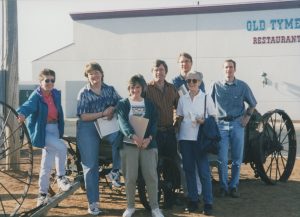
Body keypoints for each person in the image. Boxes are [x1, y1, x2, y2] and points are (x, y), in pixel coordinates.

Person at [17, 68, 71, 206]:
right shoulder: (36, 96)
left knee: (46, 165)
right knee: (62, 147)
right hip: (43, 130)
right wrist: (21, 113)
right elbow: (27, 106)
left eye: (52, 80)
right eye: (47, 80)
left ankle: (42, 195)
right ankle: (61, 177)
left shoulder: (55, 94)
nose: (50, 82)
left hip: (54, 129)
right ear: (40, 82)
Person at [76, 61, 122, 215]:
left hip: (107, 124)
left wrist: (112, 109)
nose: (94, 75)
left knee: (121, 138)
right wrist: (103, 113)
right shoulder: (83, 93)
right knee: (91, 165)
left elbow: (121, 104)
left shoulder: (110, 90)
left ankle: (115, 171)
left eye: (96, 72)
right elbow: (83, 116)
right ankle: (93, 203)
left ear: (102, 73)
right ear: (87, 76)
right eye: (90, 73)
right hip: (88, 126)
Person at [116, 74, 164, 217]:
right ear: (129, 88)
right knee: (130, 177)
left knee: (151, 176)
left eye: (138, 87)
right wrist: (133, 136)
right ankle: (130, 207)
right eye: (132, 87)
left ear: (142, 88)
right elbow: (122, 122)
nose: (135, 90)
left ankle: (155, 208)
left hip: (147, 145)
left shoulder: (149, 104)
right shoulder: (123, 104)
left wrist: (149, 138)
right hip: (129, 145)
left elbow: (154, 123)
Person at [211, 59, 257, 198]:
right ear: (223, 69)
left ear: (234, 69)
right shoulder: (216, 85)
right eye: (226, 67)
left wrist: (246, 118)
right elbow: (208, 103)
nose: (228, 70)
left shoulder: (242, 86)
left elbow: (252, 103)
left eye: (231, 67)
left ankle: (234, 186)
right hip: (221, 125)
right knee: (222, 158)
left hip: (237, 124)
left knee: (237, 158)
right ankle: (223, 187)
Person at [176, 71, 215, 215]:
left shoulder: (206, 98)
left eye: (194, 81)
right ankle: (193, 200)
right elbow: (179, 117)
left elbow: (213, 117)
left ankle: (208, 202)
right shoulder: (183, 99)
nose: (191, 83)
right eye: (188, 81)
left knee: (204, 172)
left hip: (200, 139)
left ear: (199, 82)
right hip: (185, 139)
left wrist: (203, 121)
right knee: (189, 170)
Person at [145, 59, 179, 208]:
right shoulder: (146, 89)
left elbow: (180, 107)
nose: (159, 72)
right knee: (154, 167)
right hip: (155, 133)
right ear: (152, 72)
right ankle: (155, 199)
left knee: (170, 166)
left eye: (162, 70)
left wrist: (177, 121)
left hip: (169, 132)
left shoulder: (172, 88)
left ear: (166, 72)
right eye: (156, 70)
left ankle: (170, 199)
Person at [172, 52, 203, 199]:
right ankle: (187, 190)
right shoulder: (174, 82)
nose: (184, 64)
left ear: (191, 63)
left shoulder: (196, 79)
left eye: (187, 61)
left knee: (196, 160)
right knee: (184, 161)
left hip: (196, 127)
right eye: (182, 62)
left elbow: (201, 101)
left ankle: (197, 189)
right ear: (179, 64)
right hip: (181, 126)